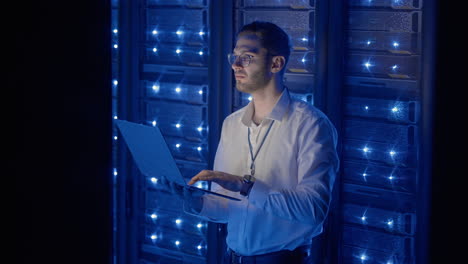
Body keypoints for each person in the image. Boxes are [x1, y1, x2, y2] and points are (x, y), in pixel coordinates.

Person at [163, 21, 339, 264]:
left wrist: (245, 186)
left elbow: (313, 210)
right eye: (234, 57)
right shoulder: (232, 124)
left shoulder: (311, 124)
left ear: (276, 64)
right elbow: (226, 205)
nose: (235, 65)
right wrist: (195, 200)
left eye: (247, 57)